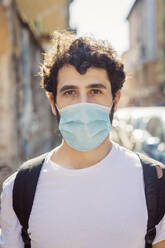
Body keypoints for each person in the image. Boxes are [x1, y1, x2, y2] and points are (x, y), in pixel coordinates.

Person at [0, 30, 165, 248]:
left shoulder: (155, 184)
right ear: (52, 101)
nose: (83, 104)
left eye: (95, 91)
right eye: (70, 92)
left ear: (115, 100)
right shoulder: (19, 189)